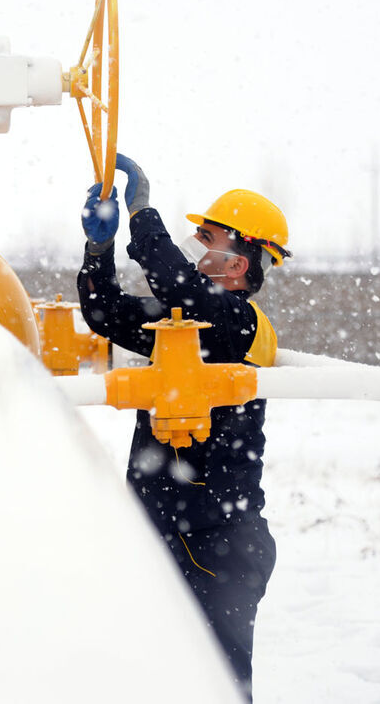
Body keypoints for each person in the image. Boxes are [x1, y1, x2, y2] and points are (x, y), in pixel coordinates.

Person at [76, 154, 291, 700]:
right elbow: (104, 312)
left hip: (218, 548)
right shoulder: (185, 328)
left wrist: (141, 213)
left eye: (208, 238)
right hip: (167, 538)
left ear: (240, 263)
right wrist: (98, 249)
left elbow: (175, 281)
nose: (197, 248)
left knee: (215, 689)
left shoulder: (241, 326)